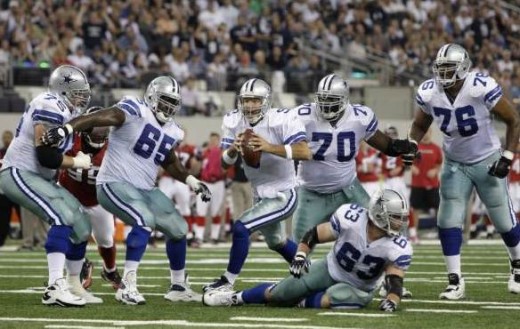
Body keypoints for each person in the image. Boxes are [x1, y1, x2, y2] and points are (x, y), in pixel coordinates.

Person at [40, 76, 212, 305]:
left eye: (173, 102)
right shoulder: (135, 109)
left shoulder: (174, 130)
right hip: (114, 182)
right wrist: (67, 128)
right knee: (144, 220)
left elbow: (169, 160)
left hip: (146, 189)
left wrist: (191, 180)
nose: (168, 107)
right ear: (152, 97)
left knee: (179, 229)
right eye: (165, 100)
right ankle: (126, 286)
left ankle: (178, 286)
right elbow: (102, 116)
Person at [408, 43, 520, 299]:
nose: (443, 74)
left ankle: (517, 264)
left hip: (486, 159)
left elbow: (514, 119)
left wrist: (508, 156)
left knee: (502, 219)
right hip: (455, 163)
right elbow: (419, 124)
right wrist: (412, 144)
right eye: (440, 68)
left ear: (463, 68)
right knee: (447, 220)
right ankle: (455, 280)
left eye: (449, 68)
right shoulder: (429, 91)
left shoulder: (480, 86)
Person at [203, 189, 412, 313]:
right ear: (378, 213)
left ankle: (302, 302)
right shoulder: (352, 217)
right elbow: (314, 234)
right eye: (395, 216)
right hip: (330, 268)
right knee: (281, 294)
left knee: (333, 296)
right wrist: (301, 255)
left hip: (360, 287)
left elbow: (395, 281)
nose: (399, 222)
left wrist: (391, 301)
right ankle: (236, 298)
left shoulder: (398, 246)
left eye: (399, 217)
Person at [203, 78, 312, 292]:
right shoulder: (234, 121)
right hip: (260, 193)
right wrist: (233, 150)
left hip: (283, 192)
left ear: (266, 101)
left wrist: (270, 147)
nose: (250, 105)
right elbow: (225, 164)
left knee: (241, 227)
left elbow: (304, 152)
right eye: (246, 100)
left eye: (255, 100)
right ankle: (312, 274)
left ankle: (227, 281)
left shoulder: (282, 119)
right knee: (277, 242)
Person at [0, 65, 96, 306]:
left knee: (82, 223)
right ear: (62, 90)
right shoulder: (49, 103)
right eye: (77, 92)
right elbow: (45, 156)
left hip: (39, 177)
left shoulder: (66, 113)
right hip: (19, 172)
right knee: (62, 215)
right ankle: (55, 286)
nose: (81, 98)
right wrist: (76, 162)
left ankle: (74, 284)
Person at [291, 74, 418, 246]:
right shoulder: (302, 115)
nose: (326, 104)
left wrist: (404, 146)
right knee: (299, 246)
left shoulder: (360, 117)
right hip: (311, 192)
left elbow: (387, 146)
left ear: (344, 99)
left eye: (331, 99)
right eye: (323, 98)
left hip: (348, 189)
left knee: (380, 223)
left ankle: (391, 264)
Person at [58, 106, 121, 290]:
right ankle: (79, 267)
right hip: (69, 195)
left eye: (104, 130)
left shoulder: (115, 148)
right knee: (65, 233)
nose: (100, 135)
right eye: (96, 130)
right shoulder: (70, 142)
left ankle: (110, 270)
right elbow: (52, 158)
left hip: (97, 200)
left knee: (106, 240)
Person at [408, 128, 442, 242]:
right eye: (424, 132)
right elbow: (407, 161)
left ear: (431, 133)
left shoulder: (436, 148)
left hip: (432, 185)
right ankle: (414, 233)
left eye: (428, 132)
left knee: (439, 208)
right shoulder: (415, 147)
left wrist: (435, 170)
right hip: (417, 184)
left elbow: (439, 163)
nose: (426, 134)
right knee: (415, 209)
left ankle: (441, 232)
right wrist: (412, 167)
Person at [193, 132, 227, 244]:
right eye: (211, 140)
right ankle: (199, 236)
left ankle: (214, 236)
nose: (213, 142)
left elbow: (227, 169)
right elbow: (196, 169)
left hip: (218, 183)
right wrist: (198, 159)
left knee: (216, 211)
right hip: (204, 183)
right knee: (201, 210)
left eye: (215, 140)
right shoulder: (204, 153)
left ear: (219, 141)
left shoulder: (223, 153)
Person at [0, 130, 20, 247]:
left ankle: (29, 238)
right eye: (5, 137)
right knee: (3, 217)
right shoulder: (0, 152)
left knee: (23, 215)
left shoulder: (17, 152)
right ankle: (2, 239)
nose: (7, 139)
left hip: (17, 189)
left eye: (9, 137)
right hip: (3, 190)